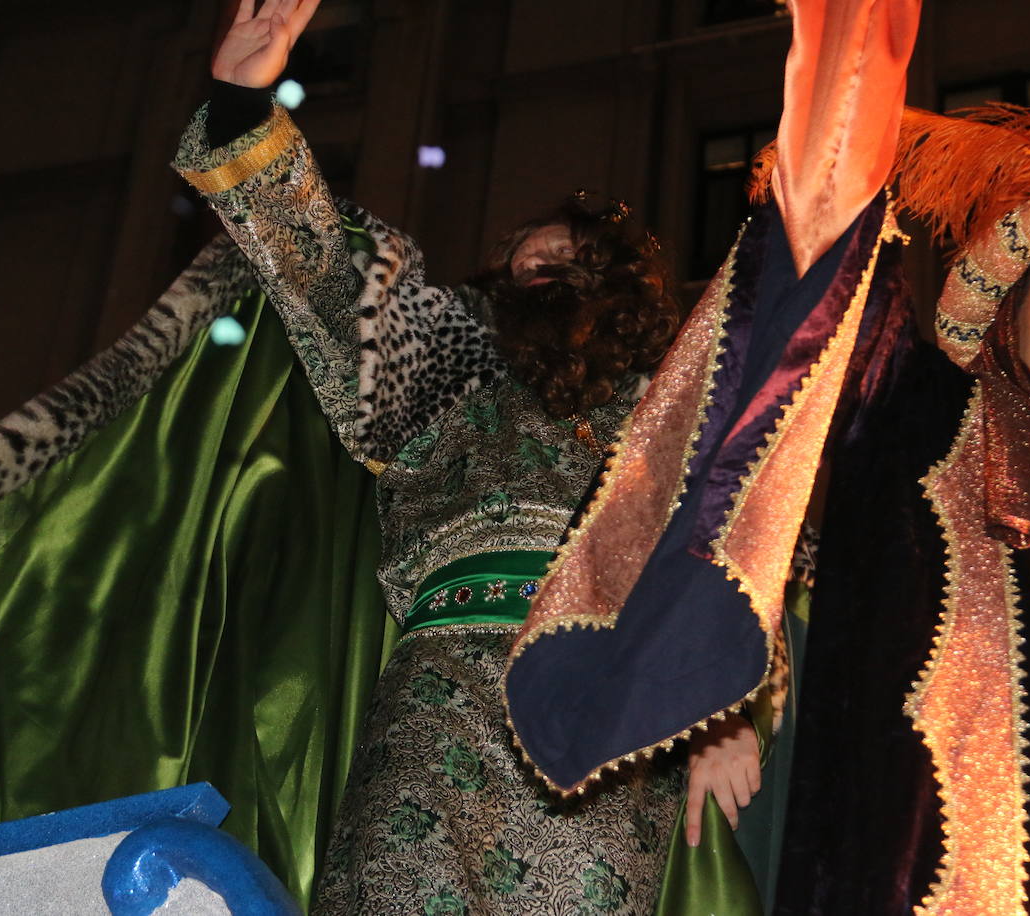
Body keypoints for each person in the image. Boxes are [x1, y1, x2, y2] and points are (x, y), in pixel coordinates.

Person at [503, 0, 1030, 912]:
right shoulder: (916, 410)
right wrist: (854, 47)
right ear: (1008, 311)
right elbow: (823, 241)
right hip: (962, 848)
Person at [173, 1, 703, 912]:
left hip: (610, 699)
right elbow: (327, 276)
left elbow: (755, 541)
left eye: (567, 260)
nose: (536, 267)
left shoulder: (680, 396)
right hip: (440, 684)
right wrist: (241, 111)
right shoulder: (452, 358)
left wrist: (740, 712)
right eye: (521, 261)